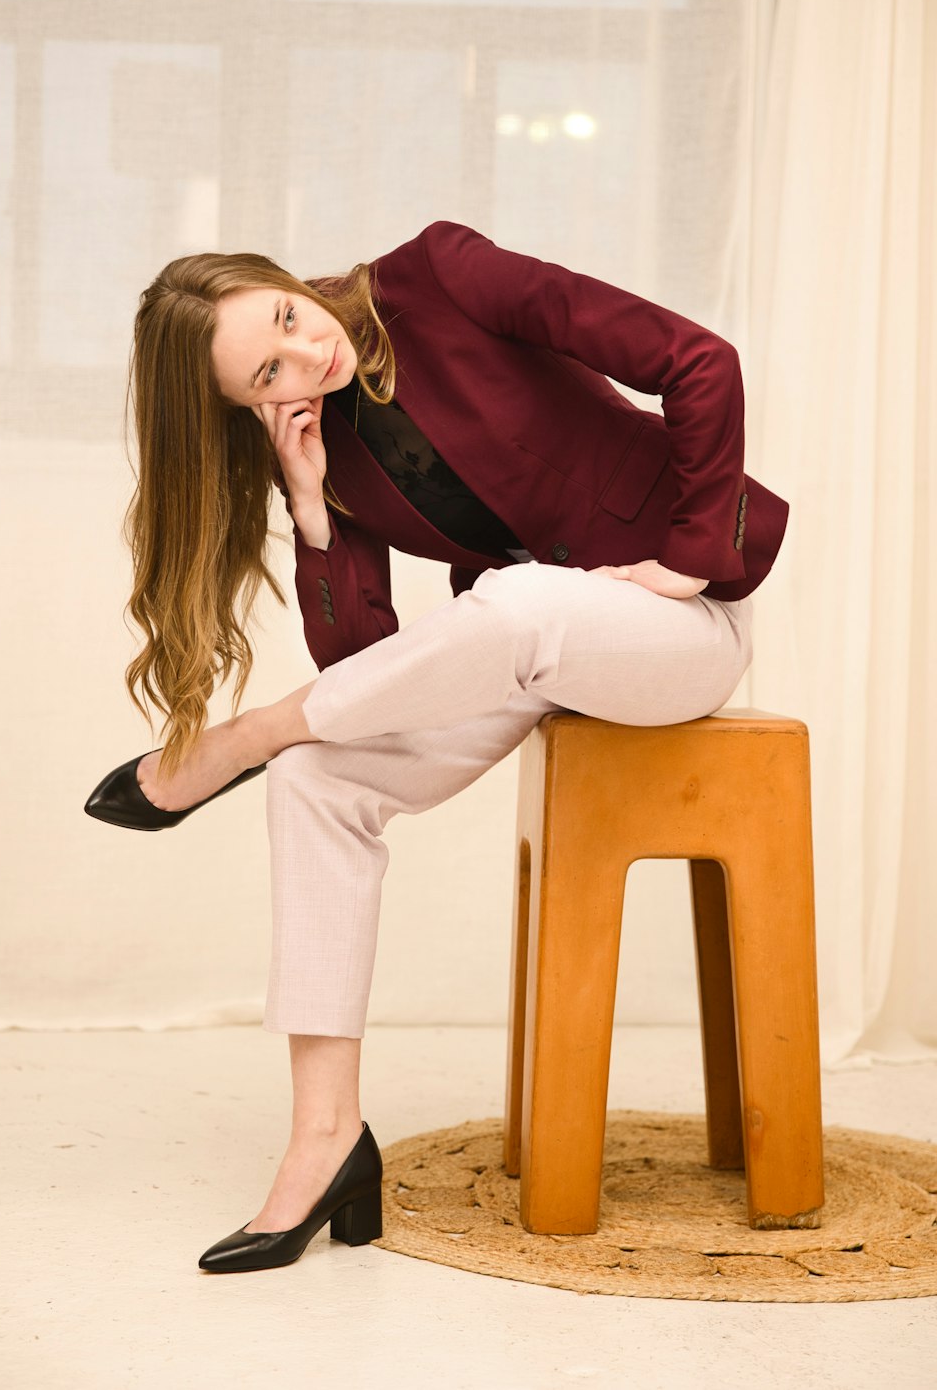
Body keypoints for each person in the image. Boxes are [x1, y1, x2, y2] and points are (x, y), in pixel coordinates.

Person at [84, 219, 788, 1274]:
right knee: (319, 778)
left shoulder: (440, 277)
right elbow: (369, 673)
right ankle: (327, 1139)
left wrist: (688, 559)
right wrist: (315, 505)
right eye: (266, 373)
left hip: (676, 634)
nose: (304, 356)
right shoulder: (310, 432)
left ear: (288, 282)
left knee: (503, 609)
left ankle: (243, 739)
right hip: (532, 653)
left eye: (286, 318)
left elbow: (697, 359)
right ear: (241, 406)